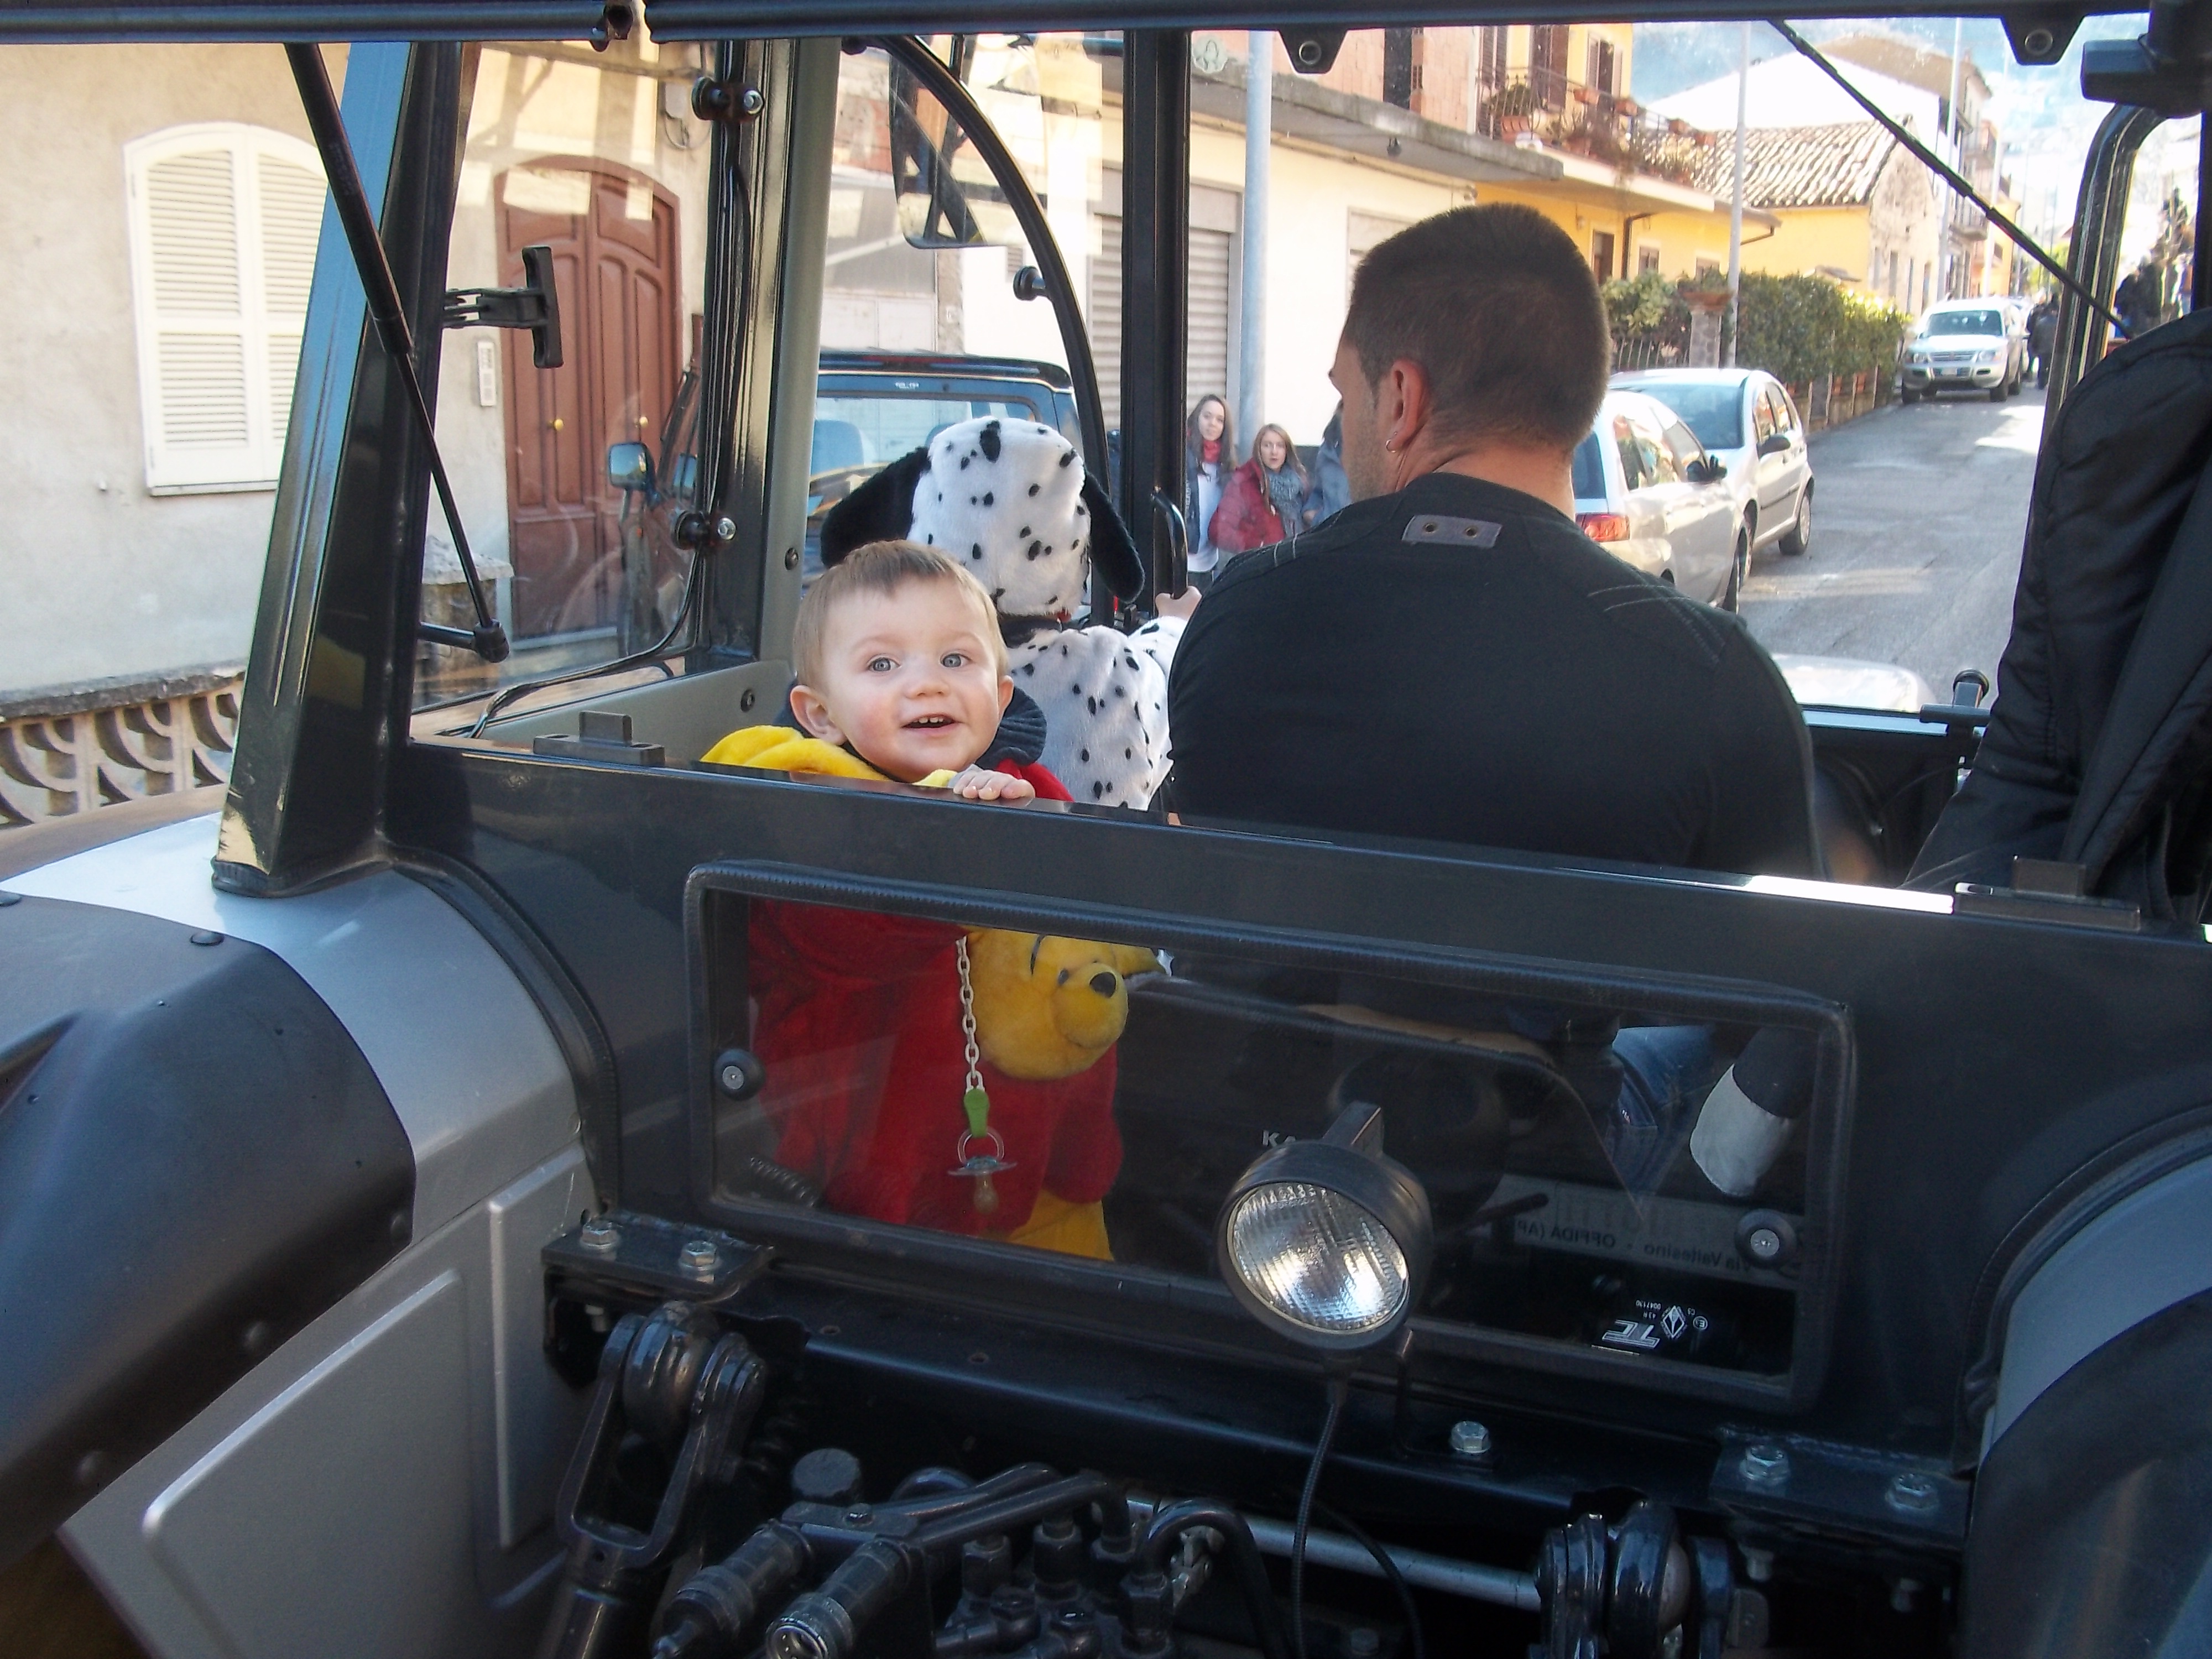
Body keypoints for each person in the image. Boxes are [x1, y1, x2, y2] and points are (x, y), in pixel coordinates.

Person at [1164, 202, 1818, 878]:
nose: (1343, 423)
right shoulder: (1714, 684)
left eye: (1346, 394)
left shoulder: (1236, 625)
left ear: (1400, 399)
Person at [702, 539, 1070, 802]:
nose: (928, 684)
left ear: (1000, 700)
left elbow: (1081, 867)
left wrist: (1021, 825)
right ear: (822, 715)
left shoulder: (1025, 788)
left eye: (954, 660)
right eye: (882, 664)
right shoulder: (791, 785)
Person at [1208, 424, 1307, 556]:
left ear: (1287, 450)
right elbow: (1217, 530)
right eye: (1267, 445)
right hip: (1261, 563)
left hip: (1293, 561)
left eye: (1280, 446)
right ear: (1258, 449)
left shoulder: (1299, 484)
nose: (1274, 452)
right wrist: (1258, 544)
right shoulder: (1244, 483)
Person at [1183, 395, 1234, 590]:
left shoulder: (1227, 466)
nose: (1212, 423)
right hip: (1183, 562)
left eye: (1220, 420)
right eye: (1207, 416)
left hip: (1211, 563)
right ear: (1197, 417)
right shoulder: (1182, 456)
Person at [1302, 404, 1352, 528]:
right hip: (1329, 532)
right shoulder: (1327, 451)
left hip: (1362, 533)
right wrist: (1311, 513)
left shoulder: (1374, 453)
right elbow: (1319, 491)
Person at [2028, 299, 2057, 387]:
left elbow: (2036, 336)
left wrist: (2034, 347)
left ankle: (2041, 383)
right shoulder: (2058, 323)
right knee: (2051, 366)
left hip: (2043, 348)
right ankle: (2047, 380)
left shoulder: (2041, 322)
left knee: (2042, 365)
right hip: (2053, 349)